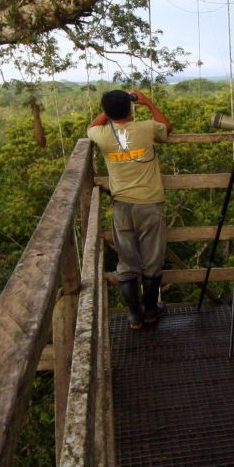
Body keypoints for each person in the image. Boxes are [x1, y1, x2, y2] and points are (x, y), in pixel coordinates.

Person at [88, 89, 172, 330]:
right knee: (152, 258)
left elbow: (90, 127)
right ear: (130, 108)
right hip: (150, 203)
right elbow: (166, 126)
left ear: (106, 111)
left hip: (122, 206)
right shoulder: (146, 128)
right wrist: (147, 102)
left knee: (127, 260)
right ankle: (150, 312)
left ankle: (134, 316)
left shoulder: (101, 134)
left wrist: (108, 111)